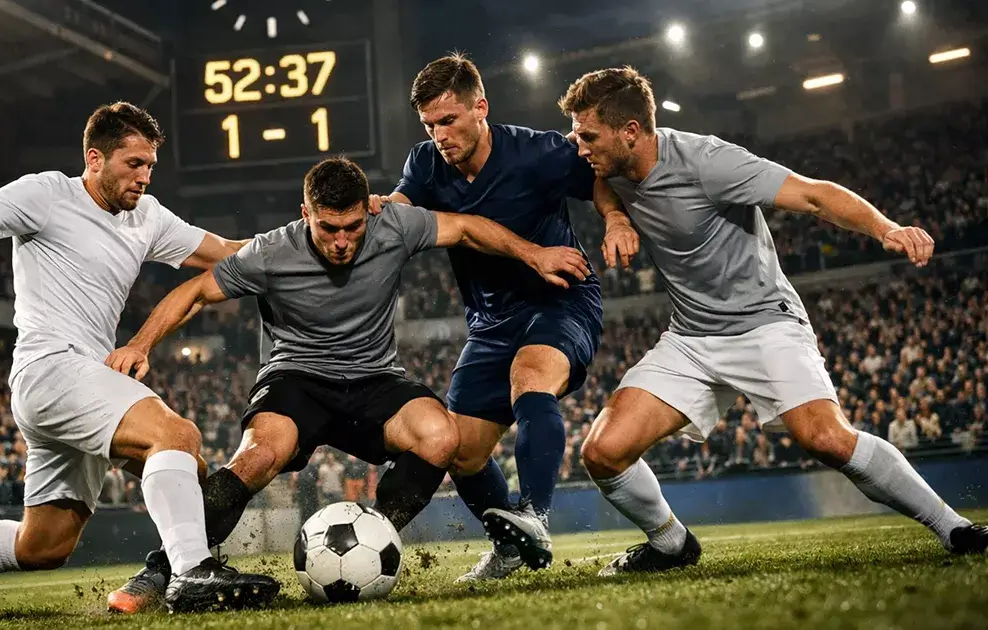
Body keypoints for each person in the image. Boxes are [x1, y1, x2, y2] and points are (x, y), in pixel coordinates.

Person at [0, 101, 278, 624]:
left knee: (44, 544)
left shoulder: (147, 216)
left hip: (82, 382)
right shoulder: (46, 194)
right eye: (134, 164)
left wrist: (305, 237)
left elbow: (226, 252)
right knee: (176, 438)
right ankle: (192, 572)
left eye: (151, 166)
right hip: (50, 368)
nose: (145, 177)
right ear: (95, 158)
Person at [104, 156, 589, 613]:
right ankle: (163, 569)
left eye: (353, 227)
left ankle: (373, 540)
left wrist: (534, 253)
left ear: (367, 212)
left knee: (441, 436)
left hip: (375, 379)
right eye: (327, 228)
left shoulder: (394, 226)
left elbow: (464, 228)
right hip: (297, 379)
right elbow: (194, 292)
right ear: (305, 214)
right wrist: (141, 344)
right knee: (259, 455)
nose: (341, 241)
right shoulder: (272, 251)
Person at [559, 66, 987, 575]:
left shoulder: (708, 161)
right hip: (692, 337)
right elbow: (599, 182)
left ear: (631, 131)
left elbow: (812, 194)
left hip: (766, 324)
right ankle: (671, 544)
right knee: (603, 451)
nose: (579, 147)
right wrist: (614, 217)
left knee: (827, 439)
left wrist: (885, 228)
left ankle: (954, 527)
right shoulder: (609, 163)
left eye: (588, 136)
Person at [371, 54, 605, 581]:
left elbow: (599, 173)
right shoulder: (426, 163)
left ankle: (536, 516)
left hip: (559, 298)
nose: (439, 135)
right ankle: (509, 547)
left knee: (530, 376)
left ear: (481, 107)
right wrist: (378, 207)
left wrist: (613, 218)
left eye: (448, 121)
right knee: (463, 453)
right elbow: (404, 209)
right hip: (490, 322)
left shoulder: (537, 152)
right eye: (429, 125)